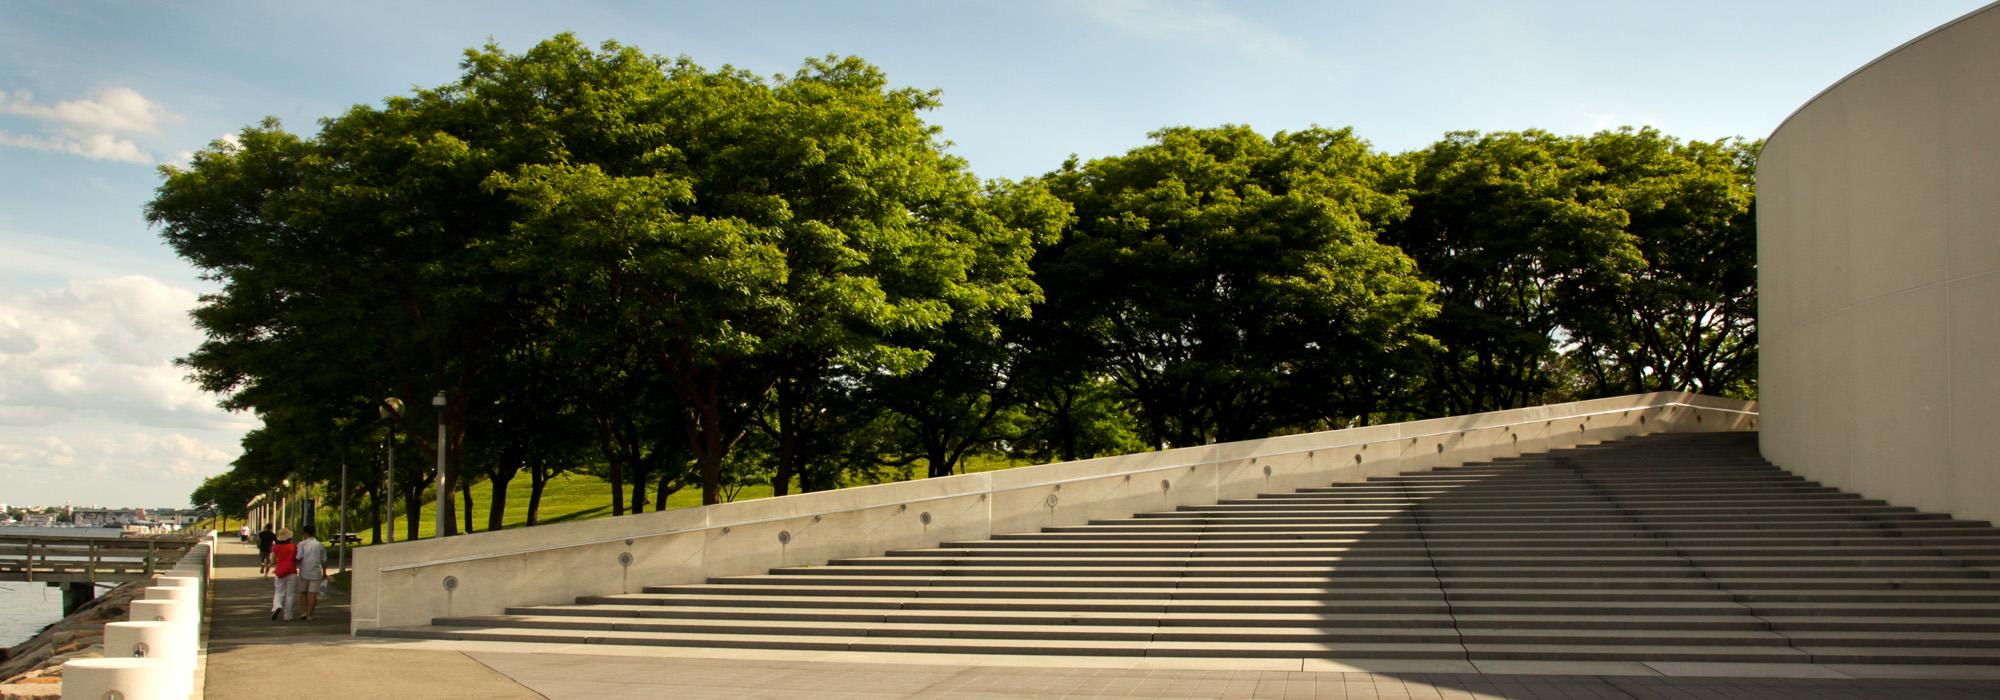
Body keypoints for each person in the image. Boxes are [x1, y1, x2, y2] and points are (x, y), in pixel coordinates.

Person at [295, 525, 328, 621]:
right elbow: (324, 560)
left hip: (304, 571)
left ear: (305, 533)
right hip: (316, 571)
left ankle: (304, 612)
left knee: (303, 592)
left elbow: (298, 557)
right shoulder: (320, 545)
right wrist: (324, 572)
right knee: (312, 594)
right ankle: (310, 614)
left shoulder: (301, 544)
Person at [270, 529, 298, 621]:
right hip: (291, 572)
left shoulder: (276, 547)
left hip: (279, 572)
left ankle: (277, 606)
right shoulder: (294, 547)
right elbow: (297, 559)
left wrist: (275, 562)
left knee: (279, 591)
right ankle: (288, 616)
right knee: (290, 594)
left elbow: (272, 560)